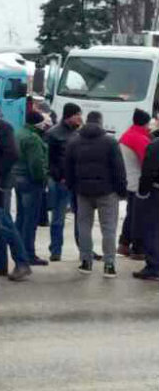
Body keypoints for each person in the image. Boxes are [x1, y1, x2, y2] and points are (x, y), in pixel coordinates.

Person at [65, 111, 127, 278]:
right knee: (109, 228)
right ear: (101, 122)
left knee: (84, 226)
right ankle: (109, 265)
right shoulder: (110, 142)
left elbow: (68, 168)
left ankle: (86, 262)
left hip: (83, 191)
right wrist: (122, 190)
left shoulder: (74, 141)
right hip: (107, 191)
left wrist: (72, 186)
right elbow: (118, 169)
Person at [0, 100, 32, 282]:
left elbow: (12, 154)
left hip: (1, 182)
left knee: (3, 222)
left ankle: (22, 262)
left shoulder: (3, 128)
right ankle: (0, 262)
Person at [45, 102, 82, 262]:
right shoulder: (54, 134)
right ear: (69, 116)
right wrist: (59, 176)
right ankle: (55, 249)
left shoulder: (78, 133)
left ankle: (84, 249)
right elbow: (48, 159)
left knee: (81, 218)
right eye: (78, 114)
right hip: (61, 181)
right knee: (58, 217)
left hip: (77, 182)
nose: (80, 118)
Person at [13, 111, 50, 267]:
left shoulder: (18, 133)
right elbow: (36, 164)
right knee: (30, 220)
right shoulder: (33, 139)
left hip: (17, 179)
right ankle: (28, 253)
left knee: (21, 218)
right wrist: (43, 179)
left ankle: (18, 250)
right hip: (31, 182)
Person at [118, 109, 152, 259]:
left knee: (131, 215)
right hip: (139, 183)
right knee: (140, 217)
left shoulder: (127, 135)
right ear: (145, 122)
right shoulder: (140, 139)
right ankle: (138, 249)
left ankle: (124, 244)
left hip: (129, 181)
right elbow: (149, 162)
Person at [133, 131, 159, 281]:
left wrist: (143, 192)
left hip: (156, 191)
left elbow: (148, 171)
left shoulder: (155, 146)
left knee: (152, 229)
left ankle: (154, 266)